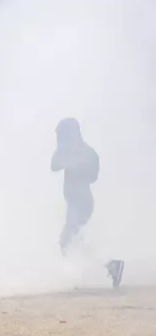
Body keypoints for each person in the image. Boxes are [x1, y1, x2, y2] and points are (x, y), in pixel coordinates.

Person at [50, 118, 124, 287]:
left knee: (68, 240)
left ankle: (106, 267)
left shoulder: (87, 152)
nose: (60, 139)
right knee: (73, 241)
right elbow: (53, 165)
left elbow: (93, 177)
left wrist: (78, 165)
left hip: (82, 203)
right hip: (74, 203)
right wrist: (66, 155)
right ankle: (104, 267)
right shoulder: (68, 151)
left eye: (62, 135)